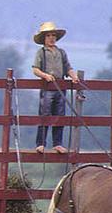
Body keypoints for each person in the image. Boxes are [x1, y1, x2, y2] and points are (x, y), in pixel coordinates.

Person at [31, 21, 79, 153]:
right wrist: (45, 75)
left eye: (53, 35)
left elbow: (68, 67)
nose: (52, 38)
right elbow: (35, 69)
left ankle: (58, 143)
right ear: (44, 38)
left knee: (60, 115)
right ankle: (40, 143)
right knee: (45, 114)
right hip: (47, 88)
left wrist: (74, 76)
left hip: (61, 86)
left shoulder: (61, 52)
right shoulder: (41, 52)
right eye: (48, 36)